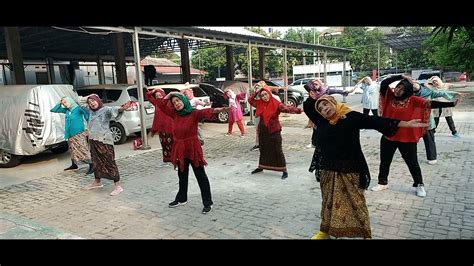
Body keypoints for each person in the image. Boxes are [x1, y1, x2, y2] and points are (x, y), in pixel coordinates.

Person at [304, 94, 428, 239]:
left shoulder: (350, 117)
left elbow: (375, 121)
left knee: (356, 203)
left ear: (333, 102)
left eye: (326, 105)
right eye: (321, 109)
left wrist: (405, 124)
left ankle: (365, 234)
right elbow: (307, 106)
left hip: (350, 169)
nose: (324, 109)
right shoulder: (323, 121)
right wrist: (315, 93)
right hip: (328, 169)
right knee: (328, 203)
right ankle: (325, 231)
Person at [371, 75, 459, 197]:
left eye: (401, 89)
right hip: (389, 136)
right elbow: (385, 83)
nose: (397, 90)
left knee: (412, 163)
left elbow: (430, 104)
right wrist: (400, 76)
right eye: (397, 87)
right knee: (385, 161)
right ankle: (382, 182)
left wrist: (451, 104)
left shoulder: (413, 100)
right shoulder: (389, 96)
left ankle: (419, 184)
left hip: (407, 138)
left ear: (407, 91)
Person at [155, 91, 228, 214]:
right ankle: (182, 198)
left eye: (178, 100)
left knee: (201, 176)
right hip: (180, 149)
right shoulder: (174, 114)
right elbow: (161, 105)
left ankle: (208, 202)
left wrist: (219, 110)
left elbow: (205, 112)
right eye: (174, 103)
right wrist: (171, 94)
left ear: (183, 100)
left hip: (193, 148)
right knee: (182, 176)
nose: (176, 104)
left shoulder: (193, 113)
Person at [79, 94, 132, 196]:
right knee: (96, 162)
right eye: (90, 103)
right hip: (93, 140)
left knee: (109, 162)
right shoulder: (90, 111)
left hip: (104, 141)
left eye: (93, 101)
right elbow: (79, 102)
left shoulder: (105, 109)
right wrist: (89, 97)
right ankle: (97, 182)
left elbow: (115, 110)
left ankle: (118, 186)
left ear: (98, 100)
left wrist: (122, 108)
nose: (92, 104)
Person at [248, 86, 302, 179]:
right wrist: (257, 92)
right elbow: (250, 100)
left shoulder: (276, 104)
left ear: (269, 93)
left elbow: (287, 108)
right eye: (262, 95)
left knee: (277, 150)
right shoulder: (259, 103)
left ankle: (284, 170)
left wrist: (299, 110)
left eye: (266, 94)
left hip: (274, 131)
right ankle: (261, 166)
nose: (265, 97)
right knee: (263, 149)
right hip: (263, 131)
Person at [412, 81, 468, 164]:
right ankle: (410, 156)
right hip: (413, 120)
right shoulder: (408, 93)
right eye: (411, 84)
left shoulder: (428, 92)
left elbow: (442, 92)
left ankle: (432, 157)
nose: (413, 86)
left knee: (429, 139)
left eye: (414, 83)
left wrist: (455, 94)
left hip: (427, 120)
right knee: (410, 140)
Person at [50, 96, 93, 174]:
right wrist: (59, 103)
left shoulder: (78, 109)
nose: (65, 104)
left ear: (70, 101)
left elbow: (87, 115)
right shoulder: (67, 110)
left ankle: (92, 165)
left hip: (79, 133)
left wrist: (89, 126)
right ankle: (74, 164)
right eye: (63, 103)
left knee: (82, 149)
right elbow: (53, 110)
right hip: (70, 134)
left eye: (65, 102)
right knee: (72, 149)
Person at [303, 78, 350, 148]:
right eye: (313, 85)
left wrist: (343, 92)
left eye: (316, 84)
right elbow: (309, 108)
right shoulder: (311, 94)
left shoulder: (325, 90)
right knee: (317, 129)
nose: (315, 86)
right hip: (318, 115)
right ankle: (314, 143)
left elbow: (335, 91)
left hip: (327, 114)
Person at [145, 87, 174, 165]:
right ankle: (167, 158)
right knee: (164, 143)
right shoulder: (156, 103)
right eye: (157, 96)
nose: (158, 97)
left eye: (160, 95)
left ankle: (174, 157)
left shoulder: (169, 102)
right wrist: (153, 91)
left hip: (170, 126)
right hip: (161, 127)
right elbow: (147, 95)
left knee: (172, 143)